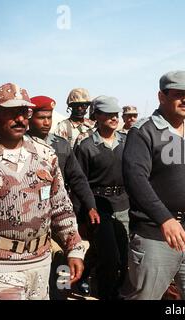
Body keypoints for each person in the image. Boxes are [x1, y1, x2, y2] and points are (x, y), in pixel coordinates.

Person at [121, 70, 185, 300]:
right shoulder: (143, 132)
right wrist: (165, 218)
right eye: (179, 94)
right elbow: (136, 180)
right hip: (156, 237)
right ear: (161, 97)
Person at [0, 83, 85, 300]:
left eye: (24, 112)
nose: (20, 119)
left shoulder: (45, 155)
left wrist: (74, 249)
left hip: (41, 263)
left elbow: (61, 207)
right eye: (11, 112)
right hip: (0, 267)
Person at [27, 95, 100, 297]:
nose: (47, 122)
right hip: (32, 212)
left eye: (49, 117)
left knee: (64, 255)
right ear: (30, 117)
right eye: (42, 118)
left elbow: (77, 178)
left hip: (60, 210)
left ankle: (61, 291)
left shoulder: (61, 145)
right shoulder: (20, 144)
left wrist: (90, 205)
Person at [75, 96, 130, 300]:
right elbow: (79, 183)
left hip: (124, 205)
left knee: (124, 257)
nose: (114, 118)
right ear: (97, 116)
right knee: (110, 259)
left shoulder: (127, 141)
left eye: (116, 115)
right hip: (98, 207)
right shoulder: (86, 146)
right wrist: (81, 218)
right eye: (108, 114)